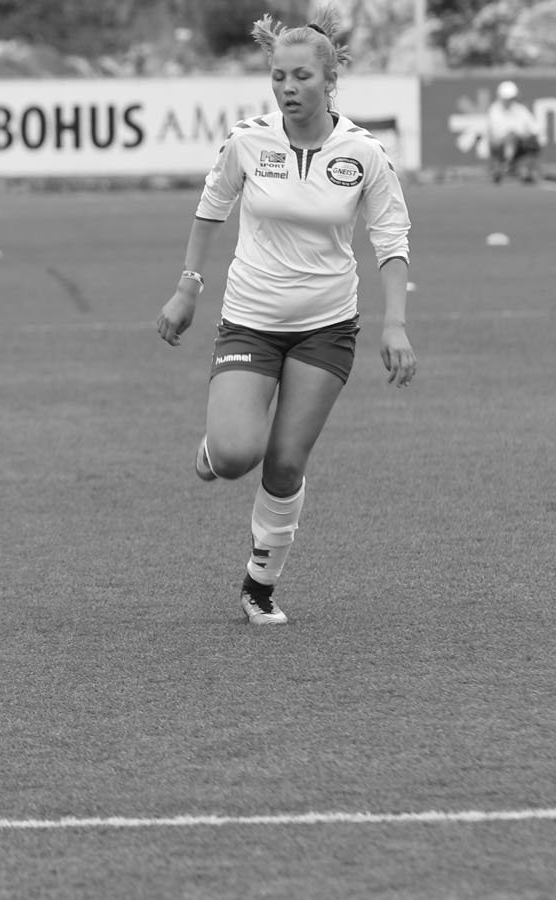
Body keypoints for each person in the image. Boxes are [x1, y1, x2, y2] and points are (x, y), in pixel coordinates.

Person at [154, 10, 417, 626]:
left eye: (302, 76)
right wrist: (188, 288)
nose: (288, 88)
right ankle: (218, 445)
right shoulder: (247, 140)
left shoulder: (364, 153)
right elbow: (211, 207)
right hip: (250, 320)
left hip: (328, 327)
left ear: (330, 80)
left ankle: (260, 586)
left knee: (286, 461)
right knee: (236, 455)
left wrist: (395, 323)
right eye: (278, 77)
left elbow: (391, 238)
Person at [486, 80, 542, 185]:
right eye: (506, 98)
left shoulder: (520, 109)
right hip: (500, 147)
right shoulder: (494, 110)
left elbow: (535, 128)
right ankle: (507, 166)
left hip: (521, 145)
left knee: (532, 142)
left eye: (510, 98)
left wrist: (524, 135)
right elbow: (495, 135)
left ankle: (521, 169)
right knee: (510, 138)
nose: (508, 101)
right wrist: (510, 137)